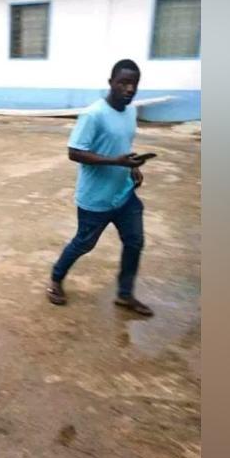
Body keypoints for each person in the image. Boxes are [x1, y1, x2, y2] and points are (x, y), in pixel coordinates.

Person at [46, 59, 157, 316]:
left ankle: (125, 295)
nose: (129, 89)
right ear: (111, 83)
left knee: (135, 241)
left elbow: (122, 145)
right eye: (123, 83)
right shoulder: (93, 114)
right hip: (96, 199)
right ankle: (56, 278)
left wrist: (131, 167)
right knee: (84, 243)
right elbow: (74, 152)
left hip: (124, 194)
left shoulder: (130, 112)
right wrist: (116, 161)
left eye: (134, 84)